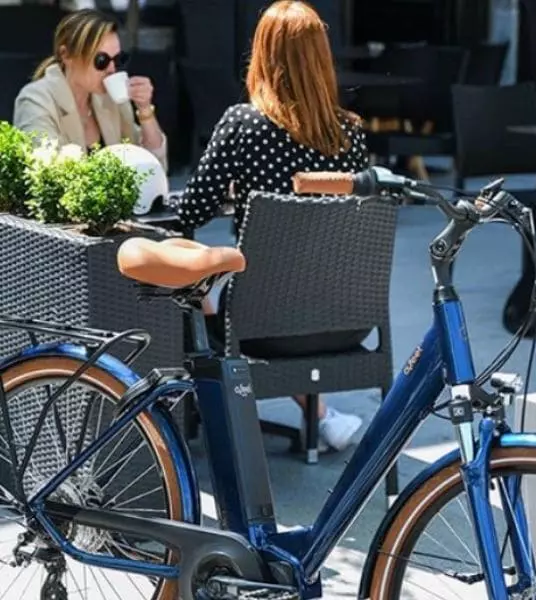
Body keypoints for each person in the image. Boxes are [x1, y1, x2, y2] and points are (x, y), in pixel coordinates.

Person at [177, 0, 368, 452]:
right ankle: (321, 417)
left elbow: (191, 213)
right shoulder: (351, 133)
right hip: (345, 315)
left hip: (263, 320)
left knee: (194, 282)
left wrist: (235, 193)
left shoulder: (243, 124)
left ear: (262, 55)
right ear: (323, 59)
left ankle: (208, 405)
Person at [13, 8, 167, 172]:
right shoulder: (35, 101)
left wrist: (145, 111)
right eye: (101, 60)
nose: (111, 69)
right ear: (66, 55)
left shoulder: (110, 99)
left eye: (117, 59)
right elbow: (47, 177)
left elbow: (152, 168)